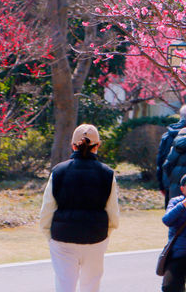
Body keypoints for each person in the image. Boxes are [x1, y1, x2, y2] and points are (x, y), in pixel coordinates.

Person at [40, 124, 120, 292]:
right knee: (91, 286)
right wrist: (105, 234)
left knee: (64, 286)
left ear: (73, 145)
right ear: (97, 145)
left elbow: (47, 209)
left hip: (62, 238)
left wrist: (51, 236)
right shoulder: (107, 173)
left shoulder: (58, 171)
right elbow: (113, 214)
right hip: (96, 237)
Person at [158, 104, 186, 208]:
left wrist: (161, 185)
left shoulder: (167, 136)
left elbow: (161, 162)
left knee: (173, 217)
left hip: (170, 184)